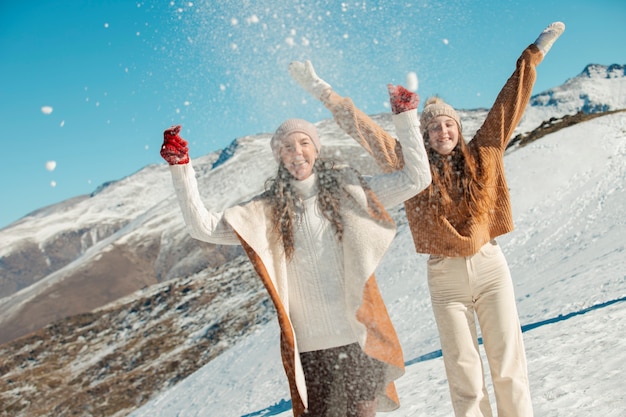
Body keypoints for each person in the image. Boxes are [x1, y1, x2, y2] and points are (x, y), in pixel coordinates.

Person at [288, 22, 565, 417]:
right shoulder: (410, 164)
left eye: (448, 123)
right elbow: (363, 129)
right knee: (463, 371)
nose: (441, 131)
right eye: (432, 126)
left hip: (490, 269)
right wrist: (320, 88)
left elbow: (510, 102)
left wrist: (536, 51)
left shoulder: (484, 150)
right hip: (444, 278)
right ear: (424, 135)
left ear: (458, 127)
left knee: (508, 366)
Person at [159, 84, 431, 416]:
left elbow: (416, 179)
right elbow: (202, 227)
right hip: (311, 350)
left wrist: (405, 118)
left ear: (316, 151)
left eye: (304, 143)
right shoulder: (267, 212)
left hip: (358, 337)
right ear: (279, 157)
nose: (296, 151)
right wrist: (181, 167)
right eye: (287, 146)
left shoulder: (351, 192)